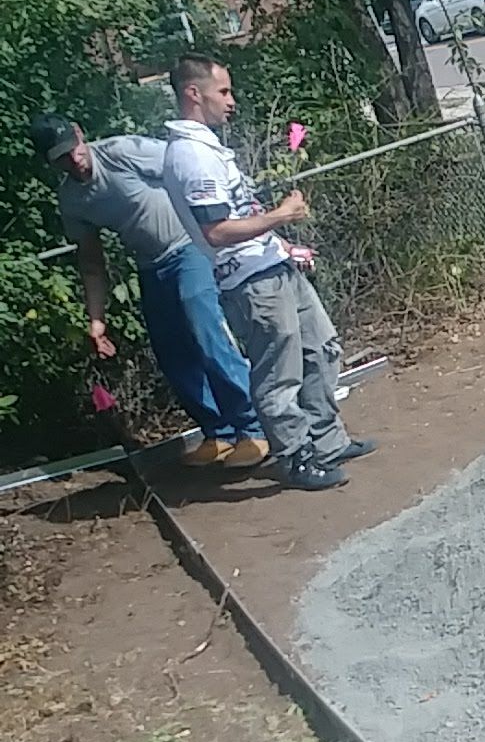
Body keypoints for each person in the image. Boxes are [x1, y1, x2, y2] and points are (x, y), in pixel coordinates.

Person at [161, 53, 375, 491]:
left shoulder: (209, 149)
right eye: (223, 91)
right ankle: (294, 458)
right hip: (250, 282)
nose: (231, 101)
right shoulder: (192, 158)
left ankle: (326, 440)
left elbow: (239, 214)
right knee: (279, 372)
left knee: (322, 347)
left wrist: (281, 244)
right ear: (193, 94)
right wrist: (281, 215)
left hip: (272, 265)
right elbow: (217, 230)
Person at [29, 113, 268, 469]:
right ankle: (219, 432)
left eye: (74, 149)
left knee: (207, 333)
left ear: (80, 134)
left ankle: (254, 428)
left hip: (189, 246)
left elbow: (184, 166)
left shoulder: (122, 151)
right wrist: (96, 320)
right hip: (151, 265)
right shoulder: (72, 200)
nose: (74, 160)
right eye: (61, 157)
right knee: (171, 350)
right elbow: (91, 261)